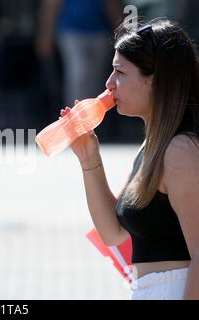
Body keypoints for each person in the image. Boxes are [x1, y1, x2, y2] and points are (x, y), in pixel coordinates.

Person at [59, 18, 199, 300]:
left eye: (119, 72)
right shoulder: (153, 145)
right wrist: (90, 158)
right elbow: (113, 233)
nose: (109, 85)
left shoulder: (180, 151)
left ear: (154, 79)